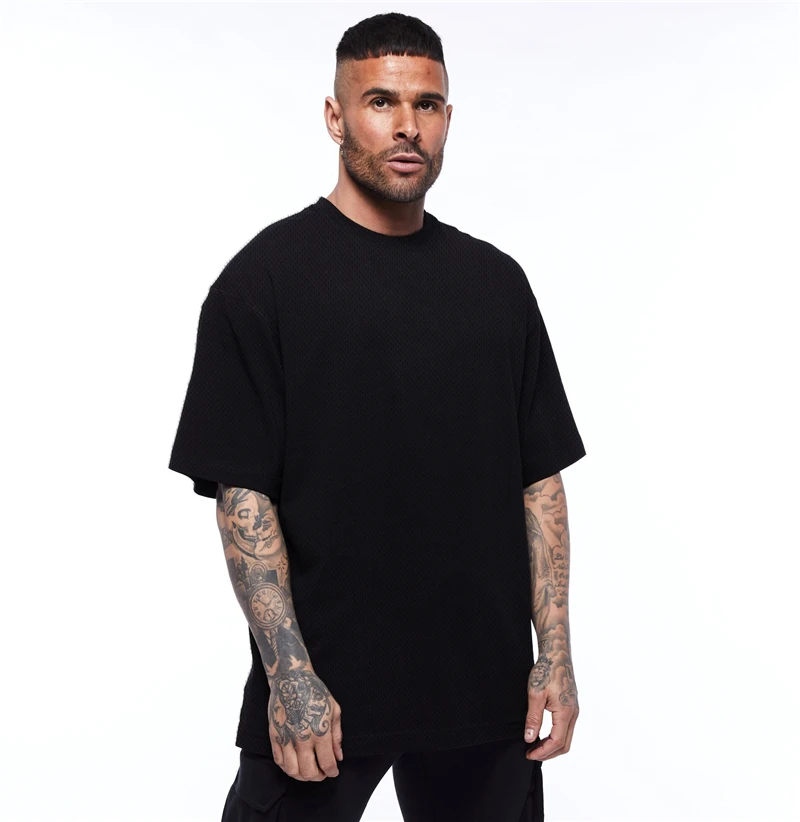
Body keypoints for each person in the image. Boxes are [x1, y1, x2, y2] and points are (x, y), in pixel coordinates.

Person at [168, 12, 586, 822]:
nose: (407, 127)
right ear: (335, 116)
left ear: (448, 119)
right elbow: (242, 496)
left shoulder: (496, 286)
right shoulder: (262, 284)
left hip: (484, 694)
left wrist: (555, 658)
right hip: (326, 698)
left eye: (426, 105)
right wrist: (289, 674)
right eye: (381, 101)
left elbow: (539, 482)